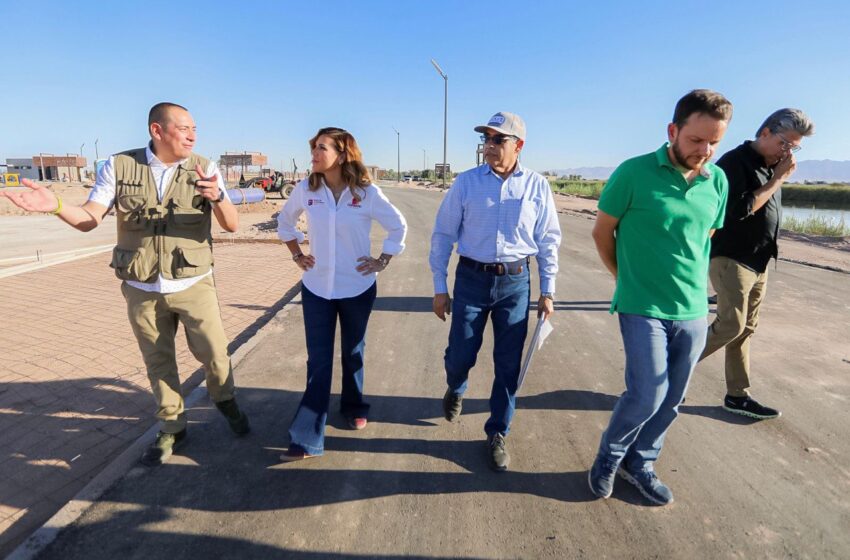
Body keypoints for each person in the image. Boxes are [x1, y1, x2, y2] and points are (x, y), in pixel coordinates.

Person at [1, 102, 250, 466]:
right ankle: (172, 426)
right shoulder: (119, 166)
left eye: (195, 128)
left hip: (194, 282)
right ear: (157, 131)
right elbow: (89, 217)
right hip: (142, 286)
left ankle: (225, 400)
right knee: (158, 360)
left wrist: (218, 197)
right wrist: (54, 204)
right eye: (183, 127)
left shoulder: (205, 167)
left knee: (214, 354)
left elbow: (232, 224)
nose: (193, 134)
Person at [588, 90, 732, 505]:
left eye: (713, 142)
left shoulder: (717, 181)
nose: (704, 151)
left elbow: (705, 236)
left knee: (672, 398)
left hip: (692, 308)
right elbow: (602, 233)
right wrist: (626, 278)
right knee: (646, 392)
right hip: (641, 305)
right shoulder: (633, 173)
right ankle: (608, 457)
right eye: (696, 140)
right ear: (673, 130)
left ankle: (642, 462)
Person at [429, 111, 562, 472]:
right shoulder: (466, 183)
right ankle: (456, 385)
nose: (488, 146)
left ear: (518, 145)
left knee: (507, 365)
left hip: (516, 283)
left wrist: (547, 290)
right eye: (486, 139)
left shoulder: (536, 186)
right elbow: (443, 234)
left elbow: (548, 240)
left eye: (497, 140)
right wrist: (440, 287)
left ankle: (497, 431)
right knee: (461, 353)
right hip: (471, 279)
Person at [277, 127, 408, 461]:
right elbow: (285, 222)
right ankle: (306, 436)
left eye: (322, 148)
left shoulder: (366, 193)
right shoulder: (306, 189)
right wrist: (296, 254)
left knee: (353, 352)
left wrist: (383, 259)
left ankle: (353, 405)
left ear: (342, 153)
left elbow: (398, 226)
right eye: (313, 148)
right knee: (318, 361)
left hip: (357, 287)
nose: (314, 154)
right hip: (317, 287)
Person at [699, 109, 814, 419]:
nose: (788, 151)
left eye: (795, 147)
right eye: (785, 143)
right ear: (764, 132)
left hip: (758, 260)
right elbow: (739, 210)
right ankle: (666, 371)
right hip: (731, 257)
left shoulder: (772, 165)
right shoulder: (734, 164)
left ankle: (737, 395)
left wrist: (776, 174)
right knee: (731, 325)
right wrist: (777, 181)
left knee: (746, 329)